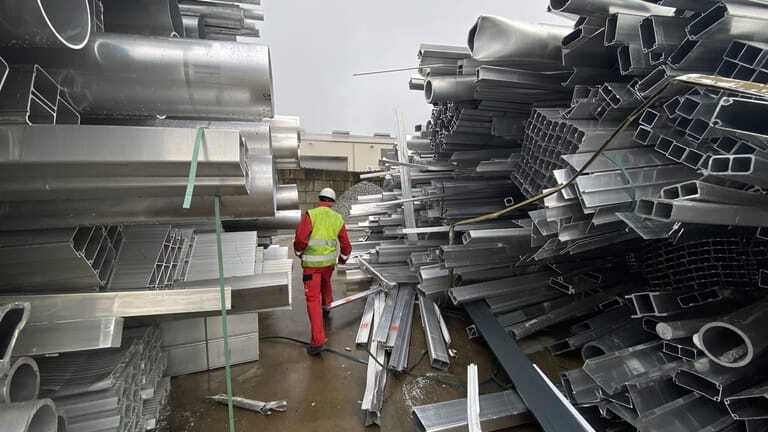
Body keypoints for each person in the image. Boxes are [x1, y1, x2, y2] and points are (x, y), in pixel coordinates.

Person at [293, 187, 352, 355]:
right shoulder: (337, 218)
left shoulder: (311, 215)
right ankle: (327, 306)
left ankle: (317, 341)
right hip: (328, 264)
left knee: (313, 300)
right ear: (333, 202)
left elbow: (300, 239)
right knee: (326, 283)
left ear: (319, 199)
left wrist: (299, 252)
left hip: (312, 267)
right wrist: (342, 259)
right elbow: (346, 245)